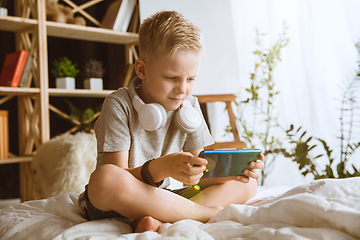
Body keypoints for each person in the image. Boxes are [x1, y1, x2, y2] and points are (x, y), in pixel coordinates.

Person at [78, 10, 264, 233]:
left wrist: (230, 173)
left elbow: (196, 177)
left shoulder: (190, 106)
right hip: (117, 203)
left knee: (247, 185)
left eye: (191, 79)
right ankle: (205, 215)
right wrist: (159, 168)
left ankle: (159, 219)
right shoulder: (119, 104)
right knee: (105, 178)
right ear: (142, 69)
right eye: (171, 78)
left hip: (163, 199)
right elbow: (118, 176)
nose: (183, 89)